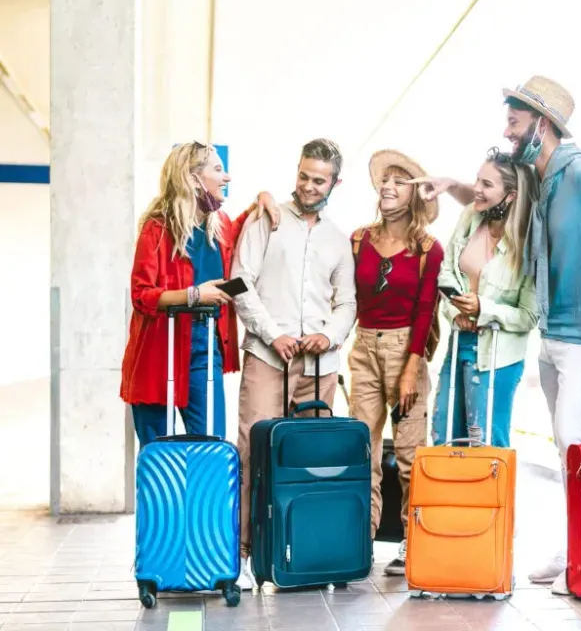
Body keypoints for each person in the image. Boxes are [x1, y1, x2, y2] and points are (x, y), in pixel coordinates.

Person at [411, 75, 581, 595]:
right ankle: (576, 547)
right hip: (551, 330)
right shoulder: (537, 176)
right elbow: (491, 196)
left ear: (541, 124)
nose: (507, 132)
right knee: (566, 445)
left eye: (514, 121)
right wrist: (450, 184)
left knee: (577, 441)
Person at [231, 138, 357, 590]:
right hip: (268, 358)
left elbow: (347, 304)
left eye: (318, 179)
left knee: (311, 462)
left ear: (334, 183)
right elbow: (238, 283)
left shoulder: (339, 240)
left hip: (319, 368)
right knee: (252, 455)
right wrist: (273, 333)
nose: (307, 185)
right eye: (303, 175)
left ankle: (305, 553)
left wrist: (331, 336)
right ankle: (242, 557)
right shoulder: (266, 221)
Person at [121, 141, 279, 448]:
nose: (227, 177)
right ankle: (165, 499)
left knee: (211, 445)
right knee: (159, 453)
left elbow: (230, 283)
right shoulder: (157, 229)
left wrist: (263, 197)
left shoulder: (218, 227)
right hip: (160, 351)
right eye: (218, 170)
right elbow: (142, 295)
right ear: (194, 179)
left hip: (205, 350)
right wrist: (193, 295)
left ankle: (202, 498)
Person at [349, 149, 444, 576]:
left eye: (398, 181)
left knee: (410, 455)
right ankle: (361, 541)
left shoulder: (428, 249)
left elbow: (424, 310)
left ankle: (412, 541)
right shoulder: (358, 240)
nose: (386, 186)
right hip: (365, 347)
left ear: (415, 195)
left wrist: (411, 367)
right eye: (384, 180)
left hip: (407, 349)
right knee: (362, 451)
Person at [431, 147, 538, 449]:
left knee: (487, 443)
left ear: (511, 195)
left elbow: (529, 316)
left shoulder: (529, 244)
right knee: (444, 437)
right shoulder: (470, 217)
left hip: (498, 356)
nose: (476, 190)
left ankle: (493, 498)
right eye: (478, 180)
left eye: (486, 185)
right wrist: (458, 310)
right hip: (459, 344)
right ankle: (448, 498)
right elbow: (447, 272)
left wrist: (483, 310)